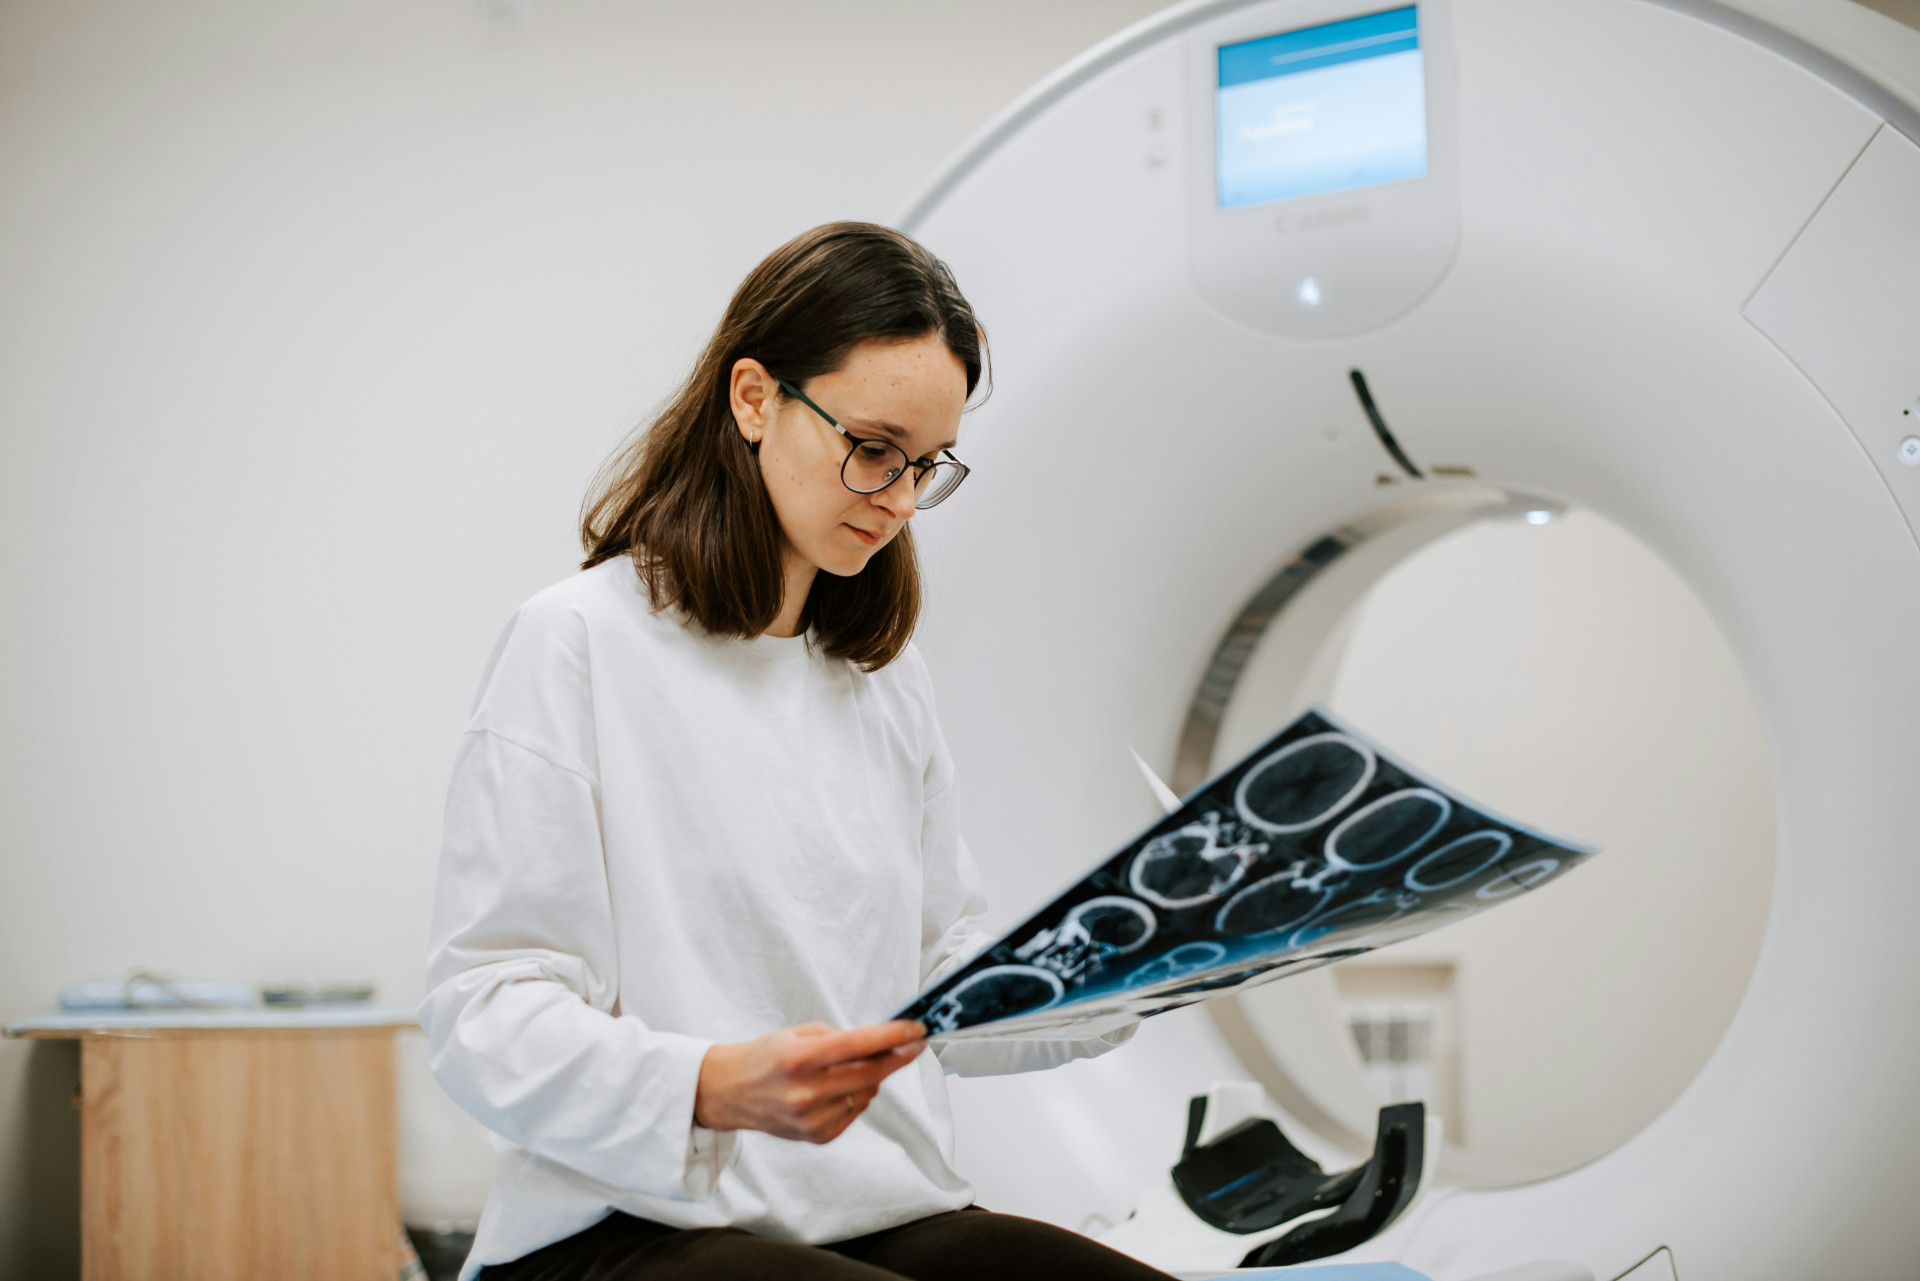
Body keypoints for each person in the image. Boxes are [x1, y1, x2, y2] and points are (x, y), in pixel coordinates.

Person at [421, 223, 1169, 1281]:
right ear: (754, 399)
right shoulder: (577, 643)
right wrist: (713, 1084)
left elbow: (940, 978)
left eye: (926, 465)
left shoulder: (882, 679)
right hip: (625, 1226)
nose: (899, 499)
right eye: (874, 448)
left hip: (875, 1205)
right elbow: (483, 1014)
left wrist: (1147, 962)